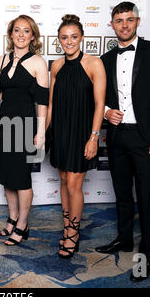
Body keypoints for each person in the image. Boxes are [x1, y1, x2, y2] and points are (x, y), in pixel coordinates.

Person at [94, 2, 150, 282]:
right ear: (112, 24)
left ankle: (146, 254)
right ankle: (124, 239)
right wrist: (106, 112)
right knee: (122, 193)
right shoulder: (104, 59)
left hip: (146, 138)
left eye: (129, 20)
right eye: (119, 20)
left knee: (146, 196)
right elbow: (99, 99)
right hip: (117, 136)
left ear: (138, 22)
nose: (124, 25)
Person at [46, 15, 106, 259]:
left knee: (74, 184)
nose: (69, 41)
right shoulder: (57, 66)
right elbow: (51, 103)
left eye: (73, 37)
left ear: (81, 38)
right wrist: (45, 133)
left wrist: (94, 137)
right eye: (64, 37)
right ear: (59, 40)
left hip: (82, 131)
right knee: (63, 179)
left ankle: (73, 233)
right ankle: (67, 224)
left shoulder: (94, 64)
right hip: (60, 130)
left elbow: (100, 103)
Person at [0, 15, 49, 246]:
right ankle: (12, 217)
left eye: (26, 31)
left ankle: (23, 224)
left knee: (22, 178)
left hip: (25, 124)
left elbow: (43, 101)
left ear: (33, 36)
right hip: (4, 124)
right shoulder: (2, 60)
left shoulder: (38, 62)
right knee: (7, 176)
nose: (21, 35)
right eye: (17, 30)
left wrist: (40, 131)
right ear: (11, 34)